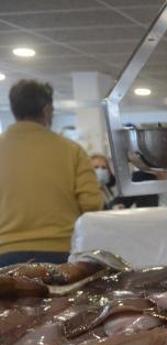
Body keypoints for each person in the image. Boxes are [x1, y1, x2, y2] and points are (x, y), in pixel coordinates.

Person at [0, 80, 102, 267]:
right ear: (47, 110)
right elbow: (91, 203)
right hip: (60, 251)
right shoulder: (71, 150)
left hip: (5, 253)